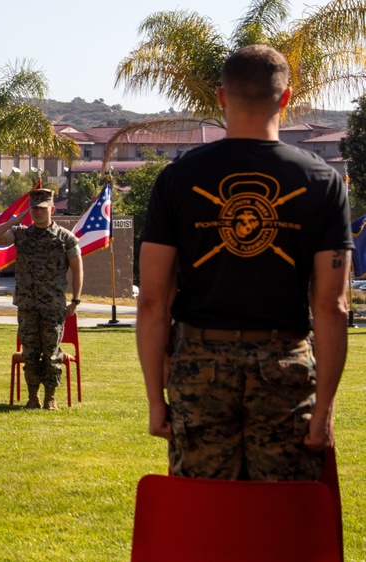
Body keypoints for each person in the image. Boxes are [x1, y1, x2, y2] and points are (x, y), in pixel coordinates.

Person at [136, 44, 352, 481]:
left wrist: (157, 401)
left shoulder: (177, 178)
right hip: (284, 368)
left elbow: (152, 301)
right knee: (280, 523)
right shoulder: (323, 182)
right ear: (286, 98)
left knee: (205, 522)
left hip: (199, 368)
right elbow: (332, 307)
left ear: (221, 97)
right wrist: (323, 409)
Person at [0, 188, 82, 410]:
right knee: (30, 353)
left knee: (51, 353)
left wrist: (75, 300)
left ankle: (50, 397)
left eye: (42, 209)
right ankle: (33, 397)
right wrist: (16, 219)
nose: (38, 213)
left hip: (53, 305)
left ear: (52, 209)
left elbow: (77, 270)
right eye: (34, 209)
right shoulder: (20, 233)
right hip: (27, 305)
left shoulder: (65, 238)